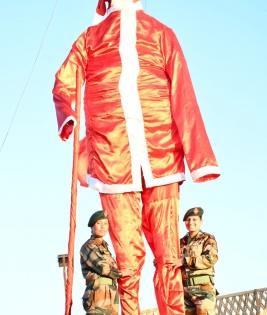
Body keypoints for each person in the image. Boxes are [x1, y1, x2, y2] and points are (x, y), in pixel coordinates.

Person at [53, 1, 220, 314]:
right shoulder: (90, 38)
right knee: (128, 263)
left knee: (169, 255)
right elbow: (64, 80)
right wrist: (68, 114)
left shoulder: (160, 33)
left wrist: (199, 156)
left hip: (162, 156)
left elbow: (183, 94)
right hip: (112, 158)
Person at [80, 210, 121, 315]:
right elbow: (103, 268)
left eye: (105, 223)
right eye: (99, 223)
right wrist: (122, 272)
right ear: (92, 227)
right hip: (97, 297)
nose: (103, 227)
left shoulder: (106, 249)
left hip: (112, 296)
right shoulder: (88, 246)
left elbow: (114, 267)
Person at [180, 207, 218, 315]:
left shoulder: (207, 238)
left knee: (203, 309)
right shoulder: (180, 243)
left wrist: (185, 261)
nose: (190, 222)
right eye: (188, 220)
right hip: (184, 291)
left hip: (203, 288)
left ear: (201, 222)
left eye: (194, 219)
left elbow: (211, 258)